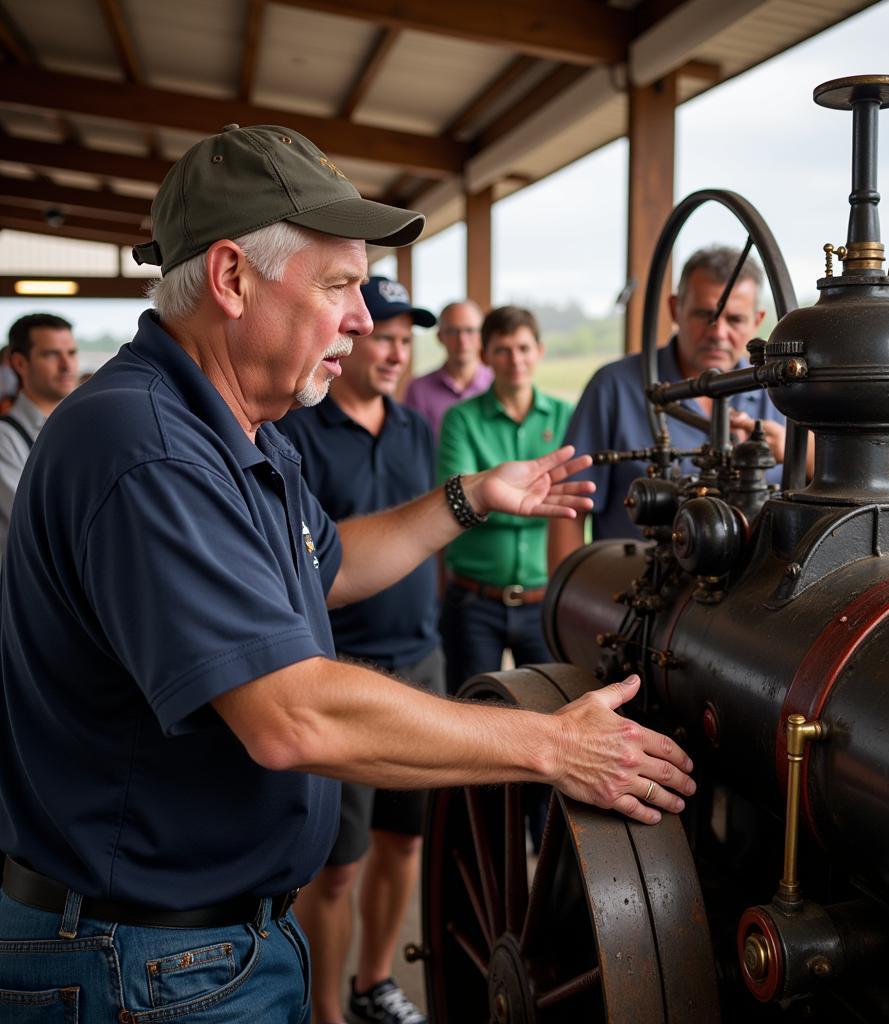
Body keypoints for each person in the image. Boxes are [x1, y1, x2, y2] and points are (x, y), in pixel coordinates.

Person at [0, 124, 695, 1024]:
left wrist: (471, 497)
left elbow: (325, 569)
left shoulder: (243, 430)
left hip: (203, 945)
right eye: (338, 286)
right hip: (141, 960)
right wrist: (549, 747)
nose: (366, 320)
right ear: (231, 277)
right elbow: (291, 714)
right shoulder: (146, 449)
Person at [277, 276, 440, 1024]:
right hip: (341, 665)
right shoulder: (298, 435)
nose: (398, 353)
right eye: (387, 336)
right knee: (337, 868)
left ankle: (373, 982)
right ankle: (326, 1010)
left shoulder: (415, 430)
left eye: (410, 341)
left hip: (422, 657)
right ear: (353, 337)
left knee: (403, 845)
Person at [548, 246, 788, 571]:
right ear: (675, 309)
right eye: (705, 315)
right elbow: (569, 508)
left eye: (735, 319)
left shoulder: (776, 393)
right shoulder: (614, 387)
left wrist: (794, 449)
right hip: (638, 599)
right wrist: (567, 606)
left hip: (746, 608)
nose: (718, 333)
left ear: (757, 321)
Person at [437, 306, 572, 695]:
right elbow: (455, 501)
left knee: (549, 710)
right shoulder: (460, 420)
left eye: (524, 348)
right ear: (485, 356)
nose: (516, 360)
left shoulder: (566, 415)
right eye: (503, 350)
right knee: (470, 713)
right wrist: (536, 504)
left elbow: (577, 500)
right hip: (473, 601)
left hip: (545, 600)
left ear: (540, 351)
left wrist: (488, 500)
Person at [0, 312, 78, 559]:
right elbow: (39, 526)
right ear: (20, 363)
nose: (66, 365)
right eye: (51, 354)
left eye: (72, 353)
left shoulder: (79, 427)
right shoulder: (5, 438)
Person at [403, 300, 491, 437]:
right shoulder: (418, 389)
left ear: (482, 335)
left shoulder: (497, 385)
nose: (462, 340)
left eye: (470, 330)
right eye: (453, 331)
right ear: (439, 336)